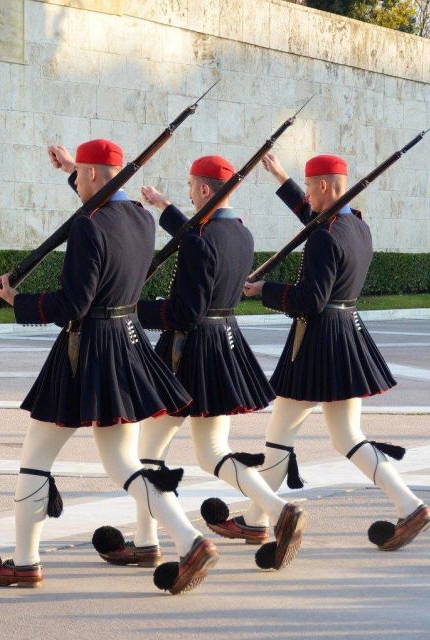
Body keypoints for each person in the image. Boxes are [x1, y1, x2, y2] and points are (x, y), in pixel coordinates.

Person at [0, 140, 218, 594]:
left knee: (35, 459)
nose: (76, 181)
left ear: (98, 176)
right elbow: (103, 210)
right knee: (123, 461)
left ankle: (26, 563)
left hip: (85, 348)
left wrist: (17, 301)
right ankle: (190, 538)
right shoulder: (140, 218)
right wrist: (70, 169)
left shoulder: (88, 225)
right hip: (125, 341)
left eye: (80, 174)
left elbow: (72, 304)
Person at [92, 156, 306, 573]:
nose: (189, 194)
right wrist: (164, 205)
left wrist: (141, 312)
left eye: (191, 187)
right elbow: (192, 237)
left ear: (206, 191)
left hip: (186, 350)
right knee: (212, 451)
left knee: (147, 453)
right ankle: (279, 510)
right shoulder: (241, 234)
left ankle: (149, 541)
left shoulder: (203, 238)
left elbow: (185, 311)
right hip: (223, 345)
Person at [238, 152, 430, 552]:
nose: (306, 195)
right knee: (347, 436)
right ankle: (410, 505)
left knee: (279, 435)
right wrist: (281, 177)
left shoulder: (326, 236)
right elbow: (314, 219)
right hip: (346, 336)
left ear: (325, 186)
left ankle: (258, 519)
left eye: (310, 187)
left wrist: (265, 292)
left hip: (317, 343)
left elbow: (310, 298)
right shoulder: (356, 225)